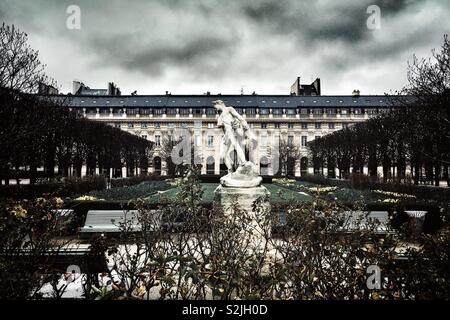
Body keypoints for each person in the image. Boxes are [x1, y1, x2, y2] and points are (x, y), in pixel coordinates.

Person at [213, 100, 255, 173]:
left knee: (236, 146)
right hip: (226, 135)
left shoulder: (229, 109)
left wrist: (244, 125)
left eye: (215, 106)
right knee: (222, 155)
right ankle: (230, 168)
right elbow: (219, 125)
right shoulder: (220, 117)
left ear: (220, 104)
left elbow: (239, 117)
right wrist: (222, 124)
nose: (215, 108)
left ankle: (243, 162)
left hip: (232, 132)